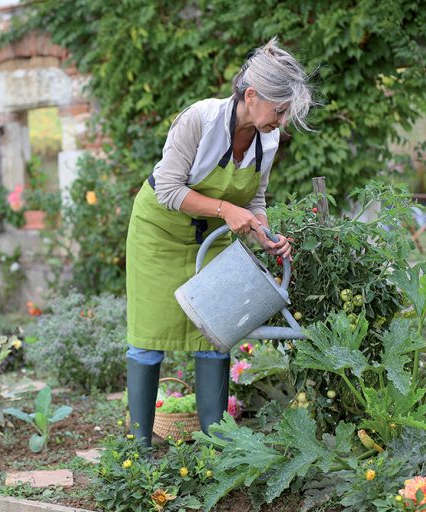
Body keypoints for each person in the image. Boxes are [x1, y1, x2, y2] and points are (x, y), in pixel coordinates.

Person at [125, 37, 313, 446]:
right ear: (251, 95)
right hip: (159, 234)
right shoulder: (199, 121)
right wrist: (227, 211)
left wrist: (265, 235)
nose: (281, 121)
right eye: (278, 110)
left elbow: (256, 198)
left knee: (216, 332)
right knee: (148, 339)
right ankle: (139, 448)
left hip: (211, 238)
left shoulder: (268, 139)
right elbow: (168, 190)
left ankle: (215, 445)